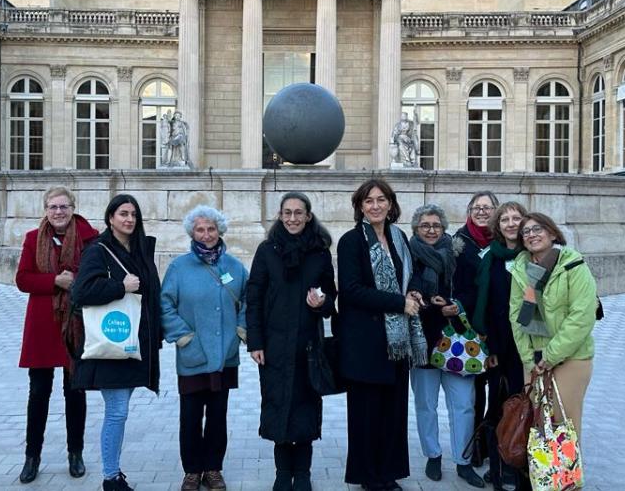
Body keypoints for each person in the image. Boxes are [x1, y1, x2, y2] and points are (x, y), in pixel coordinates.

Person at [335, 179, 426, 491]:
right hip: (365, 343)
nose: (375, 206)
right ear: (360, 206)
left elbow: (411, 275)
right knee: (366, 413)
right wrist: (400, 302)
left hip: (397, 344)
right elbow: (350, 291)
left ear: (390, 204)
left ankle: (389, 472)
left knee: (393, 411)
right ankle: (368, 476)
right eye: (369, 201)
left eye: (381, 200)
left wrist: (413, 290)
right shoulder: (351, 242)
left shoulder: (400, 238)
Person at [245, 192, 338, 491]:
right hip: (273, 345)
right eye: (287, 212)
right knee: (277, 404)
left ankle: (304, 473)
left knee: (307, 406)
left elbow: (331, 295)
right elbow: (254, 297)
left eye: (299, 213)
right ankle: (283, 472)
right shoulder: (266, 250)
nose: (293, 218)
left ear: (308, 216)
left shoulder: (320, 252)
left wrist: (320, 303)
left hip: (309, 345)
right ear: (280, 215)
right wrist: (255, 342)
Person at [70, 195, 162, 491]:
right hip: (111, 343)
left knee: (119, 410)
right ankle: (110, 477)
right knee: (118, 411)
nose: (129, 219)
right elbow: (81, 292)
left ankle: (114, 473)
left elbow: (151, 293)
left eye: (134, 214)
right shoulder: (98, 250)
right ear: (110, 218)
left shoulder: (140, 249)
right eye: (123, 214)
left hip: (132, 342)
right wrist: (120, 287)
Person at [161, 206, 249, 491]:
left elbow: (249, 302)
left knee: (217, 415)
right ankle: (191, 469)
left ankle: (212, 468)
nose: (207, 234)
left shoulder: (234, 266)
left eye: (211, 229)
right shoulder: (179, 267)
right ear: (192, 232)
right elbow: (165, 304)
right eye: (200, 229)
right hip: (192, 354)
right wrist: (183, 337)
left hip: (225, 354)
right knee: (189, 416)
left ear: (220, 231)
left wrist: (239, 332)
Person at [15, 186, 98, 484]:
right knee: (38, 393)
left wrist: (76, 282)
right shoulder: (32, 239)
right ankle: (31, 456)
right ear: (45, 209)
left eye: (64, 206)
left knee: (75, 392)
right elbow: (23, 279)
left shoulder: (90, 238)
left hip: (76, 324)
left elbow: (99, 275)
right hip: (42, 324)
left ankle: (75, 454)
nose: (58, 212)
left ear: (73, 207)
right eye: (53, 207)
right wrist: (55, 281)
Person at [406, 204, 484, 488]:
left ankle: (463, 461)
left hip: (457, 342)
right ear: (416, 229)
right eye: (425, 225)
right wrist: (417, 294)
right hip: (422, 341)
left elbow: (476, 289)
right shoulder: (407, 253)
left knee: (463, 405)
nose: (430, 230)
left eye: (436, 225)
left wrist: (456, 305)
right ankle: (433, 455)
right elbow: (402, 286)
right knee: (426, 404)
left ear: (444, 228)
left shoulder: (459, 253)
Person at [509, 213, 596, 447]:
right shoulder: (521, 268)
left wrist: (551, 356)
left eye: (537, 229)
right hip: (534, 361)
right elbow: (517, 317)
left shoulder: (573, 265)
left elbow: (582, 316)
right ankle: (541, 480)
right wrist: (529, 359)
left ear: (552, 233)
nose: (531, 235)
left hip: (570, 359)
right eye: (526, 232)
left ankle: (565, 482)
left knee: (563, 427)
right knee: (536, 426)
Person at [475, 201, 529, 491]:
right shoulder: (490, 257)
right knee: (498, 405)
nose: (511, 223)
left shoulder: (533, 255)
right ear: (498, 225)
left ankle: (519, 464)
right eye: (505, 219)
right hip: (497, 345)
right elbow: (485, 305)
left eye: (516, 218)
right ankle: (498, 464)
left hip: (527, 346)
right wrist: (489, 347)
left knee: (524, 405)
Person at [451, 190, 499, 474]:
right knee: (474, 391)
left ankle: (497, 442)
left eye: (488, 207)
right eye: (477, 207)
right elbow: (455, 286)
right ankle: (475, 444)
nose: (482, 212)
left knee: (501, 389)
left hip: (501, 327)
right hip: (471, 328)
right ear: (469, 211)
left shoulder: (505, 242)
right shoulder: (459, 242)